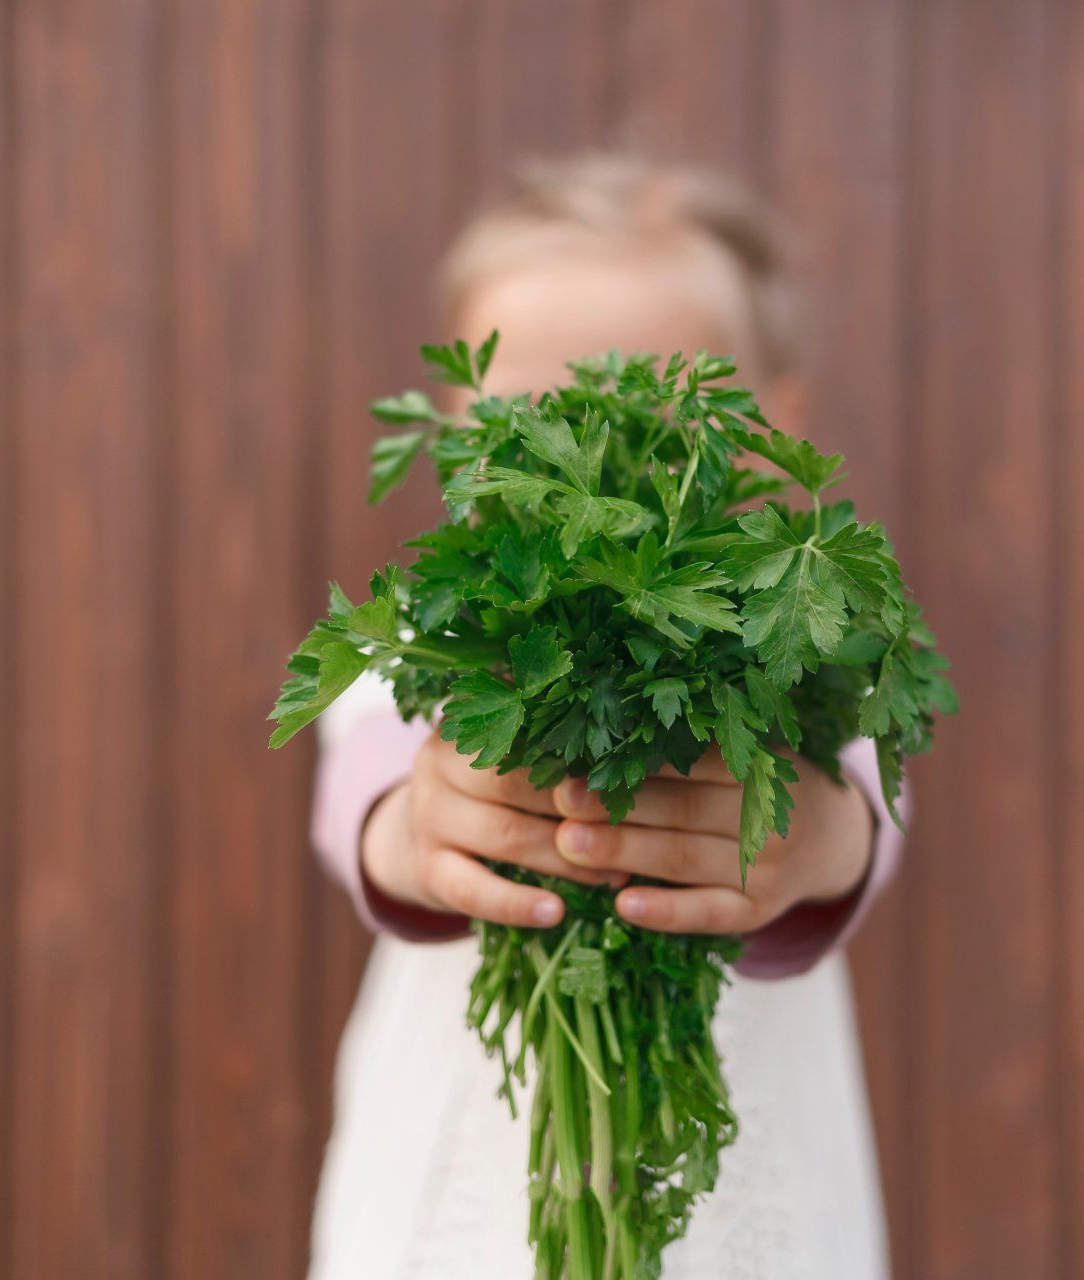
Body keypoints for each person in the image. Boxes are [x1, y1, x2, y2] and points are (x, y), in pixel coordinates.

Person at [308, 155, 900, 1280]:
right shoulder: (423, 644)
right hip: (458, 1211)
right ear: (451, 426)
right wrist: (417, 831)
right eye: (532, 423)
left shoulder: (799, 635)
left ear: (772, 420)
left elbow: (864, 803)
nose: (586, 464)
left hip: (753, 1219)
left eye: (643, 416)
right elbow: (363, 809)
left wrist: (819, 839)